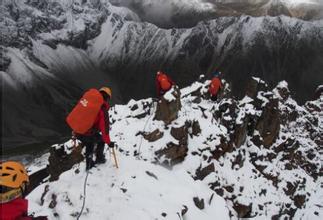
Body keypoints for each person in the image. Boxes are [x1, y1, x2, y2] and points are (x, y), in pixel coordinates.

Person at [74, 87, 115, 170]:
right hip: (87, 134)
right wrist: (109, 142)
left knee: (90, 141)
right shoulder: (102, 109)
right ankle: (99, 158)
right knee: (99, 140)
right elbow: (105, 129)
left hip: (78, 131)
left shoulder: (88, 101)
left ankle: (89, 164)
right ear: (107, 98)